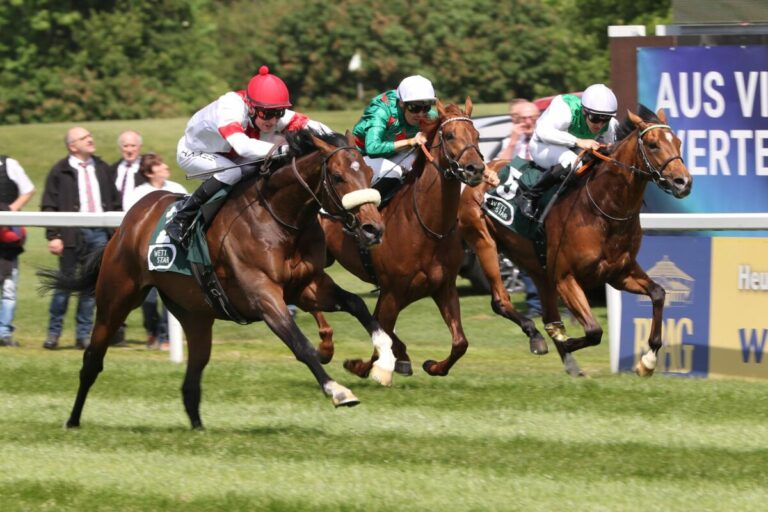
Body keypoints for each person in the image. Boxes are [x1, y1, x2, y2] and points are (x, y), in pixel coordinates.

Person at [166, 65, 332, 245]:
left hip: (229, 154)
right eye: (268, 114)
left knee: (267, 166)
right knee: (232, 172)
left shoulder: (265, 110)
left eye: (279, 113)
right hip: (194, 153)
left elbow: (310, 125)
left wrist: (337, 145)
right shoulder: (230, 108)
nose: (274, 120)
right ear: (251, 107)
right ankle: (182, 218)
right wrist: (286, 150)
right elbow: (243, 147)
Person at [41, 127, 120, 350]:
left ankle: (83, 335)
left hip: (99, 235)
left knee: (90, 287)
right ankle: (53, 334)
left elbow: (114, 202)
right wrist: (53, 235)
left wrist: (114, 233)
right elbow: (49, 204)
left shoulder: (102, 168)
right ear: (72, 146)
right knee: (64, 285)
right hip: (70, 234)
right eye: (84, 138)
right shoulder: (60, 170)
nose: (90, 140)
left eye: (90, 136)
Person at [515, 83, 620, 219]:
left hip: (572, 148)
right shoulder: (565, 109)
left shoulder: (610, 125)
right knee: (572, 161)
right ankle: (529, 196)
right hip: (542, 145)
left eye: (605, 119)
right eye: (594, 118)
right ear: (584, 111)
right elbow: (542, 132)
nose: (600, 125)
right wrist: (579, 141)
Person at [126, 153, 188, 349]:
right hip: (145, 252)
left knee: (172, 295)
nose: (165, 167)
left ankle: (167, 337)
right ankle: (152, 331)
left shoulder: (177, 189)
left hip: (172, 250)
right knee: (149, 299)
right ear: (149, 172)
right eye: (160, 165)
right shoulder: (137, 193)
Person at [352, 74, 438, 197]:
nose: (421, 114)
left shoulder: (428, 116)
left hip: (392, 155)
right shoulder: (381, 112)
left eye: (426, 108)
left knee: (424, 166)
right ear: (402, 103)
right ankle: (373, 210)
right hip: (360, 156)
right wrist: (410, 142)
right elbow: (372, 148)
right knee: (394, 172)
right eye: (415, 108)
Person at [0, 155, 35, 347]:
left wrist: (8, 211)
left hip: (6, 236)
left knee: (8, 287)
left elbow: (28, 189)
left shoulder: (10, 164)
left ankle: (3, 332)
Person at [110, 130, 147, 212]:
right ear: (120, 148)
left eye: (133, 146)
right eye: (125, 146)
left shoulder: (148, 168)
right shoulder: (111, 170)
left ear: (140, 147)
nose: (129, 150)